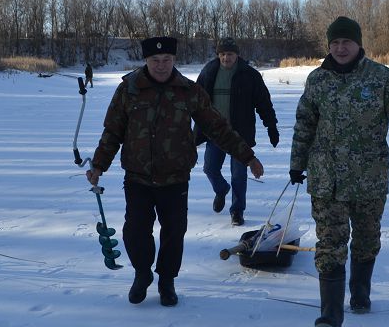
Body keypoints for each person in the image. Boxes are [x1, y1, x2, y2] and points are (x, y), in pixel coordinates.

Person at [86, 36, 264, 307]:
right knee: (135, 231)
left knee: (173, 232)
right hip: (137, 176)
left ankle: (167, 281)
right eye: (155, 60)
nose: (161, 65)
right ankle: (142, 273)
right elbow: (113, 131)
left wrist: (248, 157)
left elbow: (218, 128)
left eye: (166, 60)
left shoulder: (188, 91)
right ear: (146, 60)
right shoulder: (128, 89)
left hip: (175, 177)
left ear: (174, 60)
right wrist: (99, 165)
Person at [290, 16, 389, 327]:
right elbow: (304, 123)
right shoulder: (317, 79)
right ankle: (331, 314)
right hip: (326, 179)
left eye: (346, 42)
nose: (340, 48)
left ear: (358, 44)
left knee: (367, 239)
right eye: (335, 43)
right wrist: (297, 162)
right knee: (330, 243)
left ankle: (360, 292)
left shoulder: (380, 77)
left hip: (369, 177)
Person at [195, 37, 279, 227]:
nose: (226, 58)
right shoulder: (209, 72)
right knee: (210, 168)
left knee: (239, 175)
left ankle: (237, 210)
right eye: (223, 54)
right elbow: (196, 102)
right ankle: (221, 189)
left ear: (237, 55)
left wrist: (271, 126)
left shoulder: (249, 75)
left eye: (230, 54)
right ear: (218, 55)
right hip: (215, 133)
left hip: (241, 134)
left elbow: (264, 103)